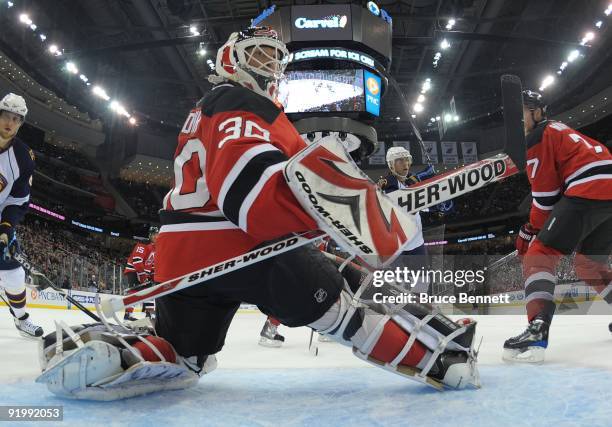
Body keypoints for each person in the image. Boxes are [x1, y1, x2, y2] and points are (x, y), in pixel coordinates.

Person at [35, 27, 479, 400]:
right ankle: (442, 359)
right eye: (258, 54)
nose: (269, 65)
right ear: (230, 58)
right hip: (242, 244)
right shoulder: (240, 102)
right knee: (348, 306)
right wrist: (327, 209)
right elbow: (246, 191)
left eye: (274, 58)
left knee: (188, 357)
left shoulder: (207, 109)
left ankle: (116, 356)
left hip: (181, 257)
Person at [503, 90, 612, 363]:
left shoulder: (538, 137)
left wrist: (530, 229)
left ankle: (537, 330)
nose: (519, 119)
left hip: (590, 188)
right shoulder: (562, 131)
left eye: (523, 112)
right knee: (589, 264)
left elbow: (545, 198)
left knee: (539, 254)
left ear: (538, 112)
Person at [0, 93, 43, 338]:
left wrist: (5, 229)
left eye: (16, 119)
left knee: (14, 275)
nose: (10, 122)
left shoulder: (23, 157)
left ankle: (21, 318)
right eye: (6, 115)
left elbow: (17, 200)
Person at [122, 226, 158, 320]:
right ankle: (128, 315)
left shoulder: (156, 248)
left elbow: (152, 265)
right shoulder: (143, 243)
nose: (156, 236)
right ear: (150, 235)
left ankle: (149, 315)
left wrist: (153, 276)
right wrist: (142, 275)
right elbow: (137, 261)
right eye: (154, 234)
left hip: (144, 273)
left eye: (157, 234)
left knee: (150, 292)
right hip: (134, 271)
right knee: (135, 292)